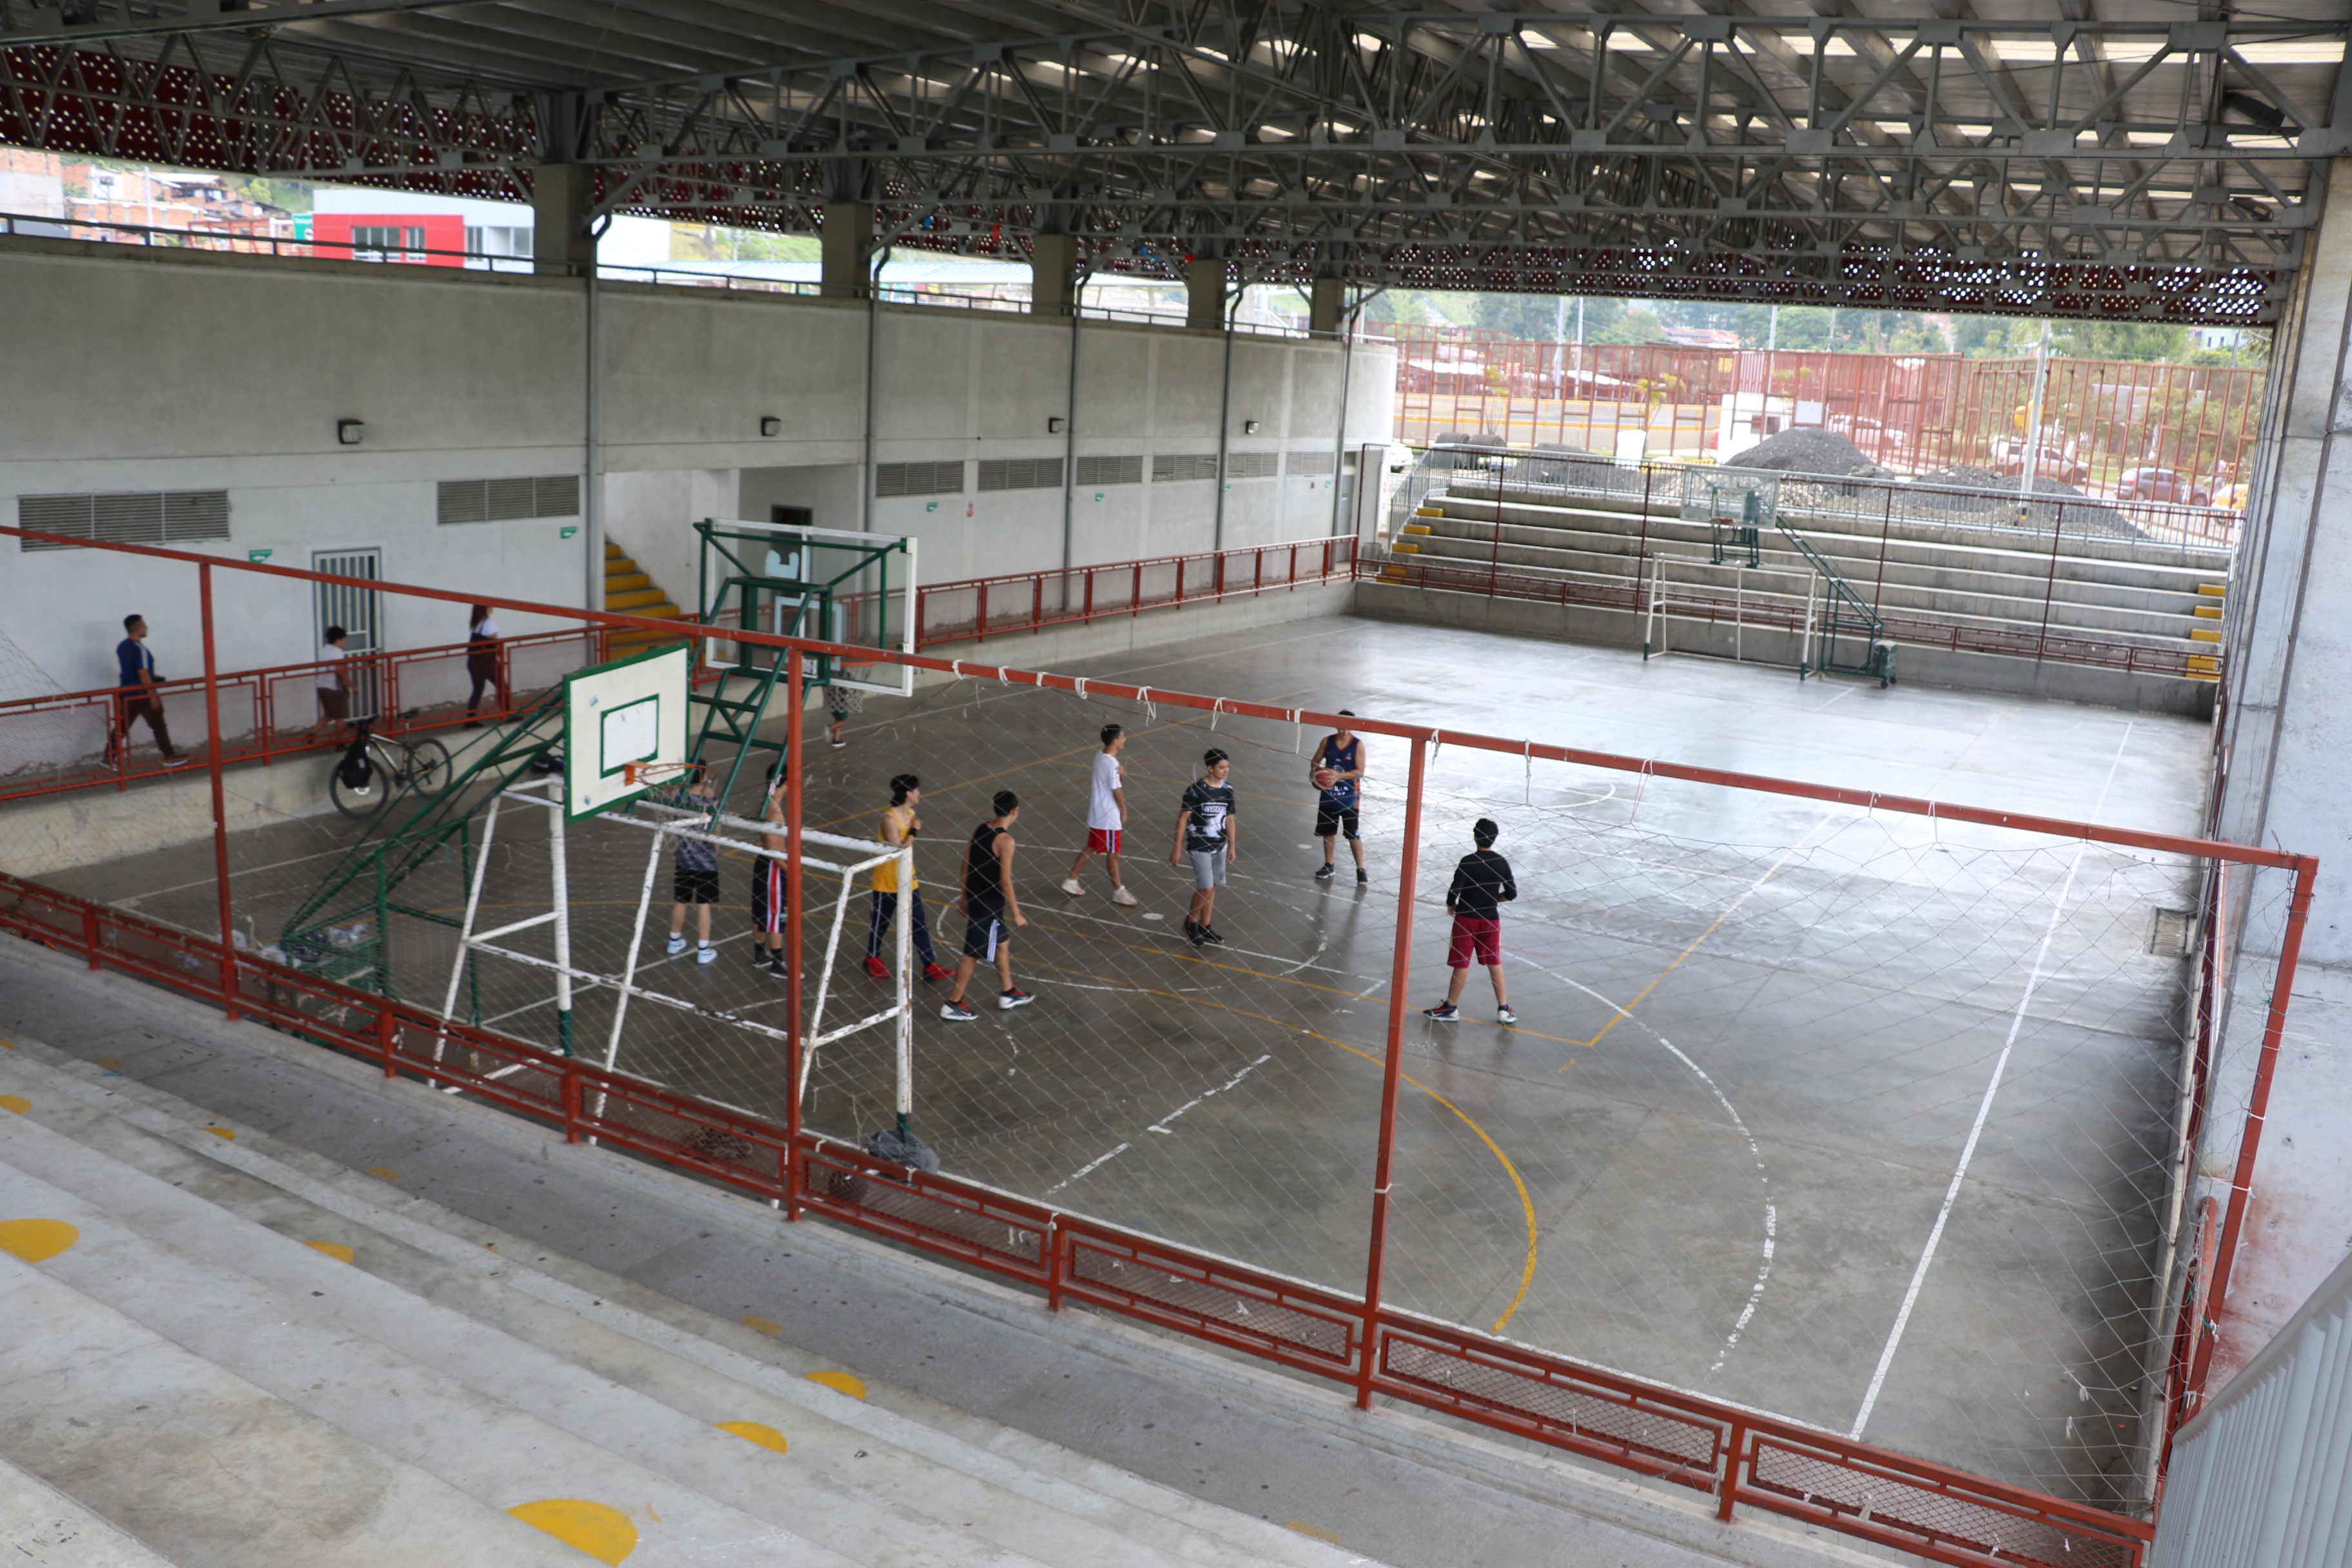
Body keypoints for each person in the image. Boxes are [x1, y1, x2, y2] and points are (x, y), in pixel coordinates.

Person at [939, 790, 1031, 1019]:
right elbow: (1005, 881)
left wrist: (964, 896)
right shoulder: (1006, 841)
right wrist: (1017, 913)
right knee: (972, 954)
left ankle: (1008, 992)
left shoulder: (981, 829)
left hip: (977, 898)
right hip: (989, 906)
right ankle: (953, 1003)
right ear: (1015, 811)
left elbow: (966, 863)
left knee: (1002, 942)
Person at [1424, 818, 1516, 1024]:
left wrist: (1451, 904)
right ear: (1494, 839)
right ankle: (1504, 1009)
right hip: (1490, 920)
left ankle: (1451, 1008)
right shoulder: (1501, 862)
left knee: (1462, 963)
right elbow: (1511, 893)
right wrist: (1493, 899)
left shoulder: (1468, 861)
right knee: (1494, 962)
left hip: (1466, 919)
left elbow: (1455, 889)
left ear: (1475, 836)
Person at [866, 773, 954, 983]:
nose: (919, 793)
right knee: (880, 923)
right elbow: (900, 850)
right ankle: (872, 957)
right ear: (908, 793)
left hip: (907, 877)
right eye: (916, 790)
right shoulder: (889, 819)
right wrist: (914, 831)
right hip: (887, 880)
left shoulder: (911, 813)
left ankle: (929, 963)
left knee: (919, 923)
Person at [1061, 723, 1139, 905]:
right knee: (1113, 853)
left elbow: (1115, 780)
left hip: (1098, 812)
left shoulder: (1101, 755)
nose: (1125, 739)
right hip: (1108, 816)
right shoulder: (1111, 763)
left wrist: (1122, 773)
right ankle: (1119, 891)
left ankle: (1072, 880)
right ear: (1115, 741)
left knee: (1091, 847)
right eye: (1122, 736)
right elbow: (1116, 791)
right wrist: (1124, 811)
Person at [1172, 748, 1237, 948]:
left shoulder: (1228, 789)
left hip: (1220, 845)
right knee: (1205, 887)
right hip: (1199, 844)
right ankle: (1190, 923)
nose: (1226, 770)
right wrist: (1177, 848)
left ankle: (1205, 926)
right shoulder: (1196, 790)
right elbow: (1183, 819)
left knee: (1213, 886)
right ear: (1210, 768)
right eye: (1222, 767)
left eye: (1227, 767)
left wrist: (1232, 846)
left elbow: (1230, 819)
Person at [107, 614, 187, 767]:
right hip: (142, 694)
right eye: (144, 625)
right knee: (159, 726)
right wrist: (153, 696)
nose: (146, 628)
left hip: (126, 693)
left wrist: (152, 676)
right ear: (138, 628)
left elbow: (131, 670)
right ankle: (169, 756)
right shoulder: (140, 649)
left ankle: (108, 758)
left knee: (121, 727)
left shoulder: (122, 646)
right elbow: (143, 672)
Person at [664, 769, 721, 964]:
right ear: (704, 778)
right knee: (704, 904)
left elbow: (676, 789)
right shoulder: (710, 803)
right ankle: (703, 949)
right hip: (706, 862)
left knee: (681, 900)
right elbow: (716, 832)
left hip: (683, 859)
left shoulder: (679, 797)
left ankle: (674, 940)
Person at [1310, 710, 1367, 884]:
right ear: (1337, 725)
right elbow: (1315, 761)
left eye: (1349, 728)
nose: (1345, 732)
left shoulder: (1357, 745)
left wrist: (1338, 776)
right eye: (1343, 728)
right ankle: (1329, 865)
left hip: (1350, 798)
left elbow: (1360, 772)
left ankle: (1361, 869)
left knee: (1353, 834)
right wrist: (1316, 774)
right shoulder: (1327, 742)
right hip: (1329, 796)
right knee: (1328, 832)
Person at [748, 764, 789, 979]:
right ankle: (777, 962)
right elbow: (774, 849)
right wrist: (790, 871)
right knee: (776, 914)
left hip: (763, 864)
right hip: (774, 867)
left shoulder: (764, 803)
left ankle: (760, 954)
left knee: (761, 912)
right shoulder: (774, 811)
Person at [305, 625, 351, 741]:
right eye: (343, 640)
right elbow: (340, 671)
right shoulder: (337, 652)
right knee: (340, 717)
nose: (344, 643)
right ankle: (340, 743)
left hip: (321, 686)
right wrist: (351, 685)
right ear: (338, 640)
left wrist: (345, 685)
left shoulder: (325, 650)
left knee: (329, 714)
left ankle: (312, 733)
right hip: (332, 687)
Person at [464, 604, 507, 727]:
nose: (493, 606)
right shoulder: (490, 623)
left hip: (474, 662)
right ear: (485, 608)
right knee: (503, 687)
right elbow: (495, 643)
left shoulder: (476, 623)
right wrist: (500, 659)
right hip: (487, 662)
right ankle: (507, 714)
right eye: (489, 605)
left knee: (477, 690)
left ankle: (471, 720)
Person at [824, 681, 861, 749]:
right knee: (843, 721)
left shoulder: (832, 681)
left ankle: (836, 740)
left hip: (831, 702)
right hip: (840, 703)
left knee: (837, 720)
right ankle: (830, 728)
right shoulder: (844, 679)